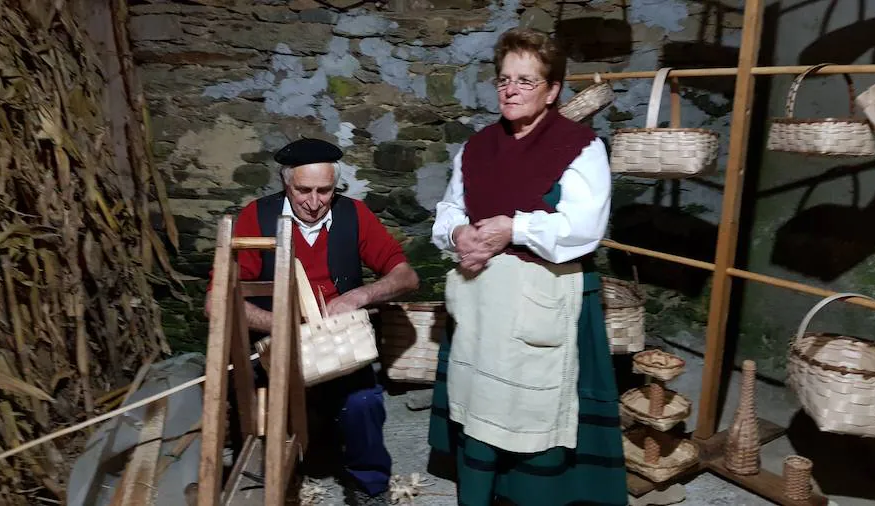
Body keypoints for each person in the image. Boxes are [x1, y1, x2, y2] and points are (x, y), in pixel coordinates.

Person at [427, 28, 628, 505]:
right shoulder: (477, 147)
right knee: (482, 400)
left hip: (544, 295)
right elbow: (451, 207)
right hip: (481, 300)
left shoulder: (580, 147)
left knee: (534, 404)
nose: (510, 90)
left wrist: (510, 230)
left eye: (525, 81)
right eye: (503, 80)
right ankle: (482, 491)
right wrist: (460, 234)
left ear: (553, 90)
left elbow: (584, 227)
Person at [206, 137, 419, 505]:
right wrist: (282, 326)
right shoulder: (257, 217)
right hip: (276, 347)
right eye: (303, 190)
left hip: (337, 347)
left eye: (325, 191)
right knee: (262, 409)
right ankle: (273, 478)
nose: (314, 202)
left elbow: (406, 276)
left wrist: (360, 295)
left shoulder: (353, 215)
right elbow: (215, 302)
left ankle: (369, 487)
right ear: (286, 183)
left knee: (364, 402)